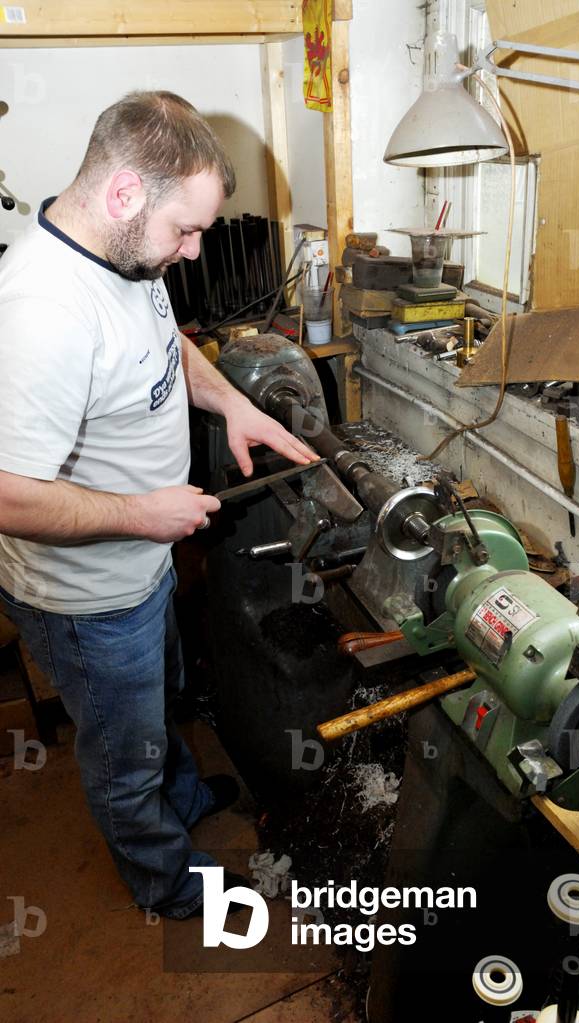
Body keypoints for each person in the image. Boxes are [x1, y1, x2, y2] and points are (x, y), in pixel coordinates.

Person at [0, 91, 316, 919]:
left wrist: (231, 404)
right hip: (87, 596)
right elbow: (7, 495)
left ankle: (180, 794)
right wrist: (146, 516)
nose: (194, 249)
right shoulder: (41, 311)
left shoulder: (124, 256)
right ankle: (166, 882)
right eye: (185, 229)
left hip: (141, 564)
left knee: (159, 705)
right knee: (123, 754)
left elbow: (162, 341)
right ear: (123, 194)